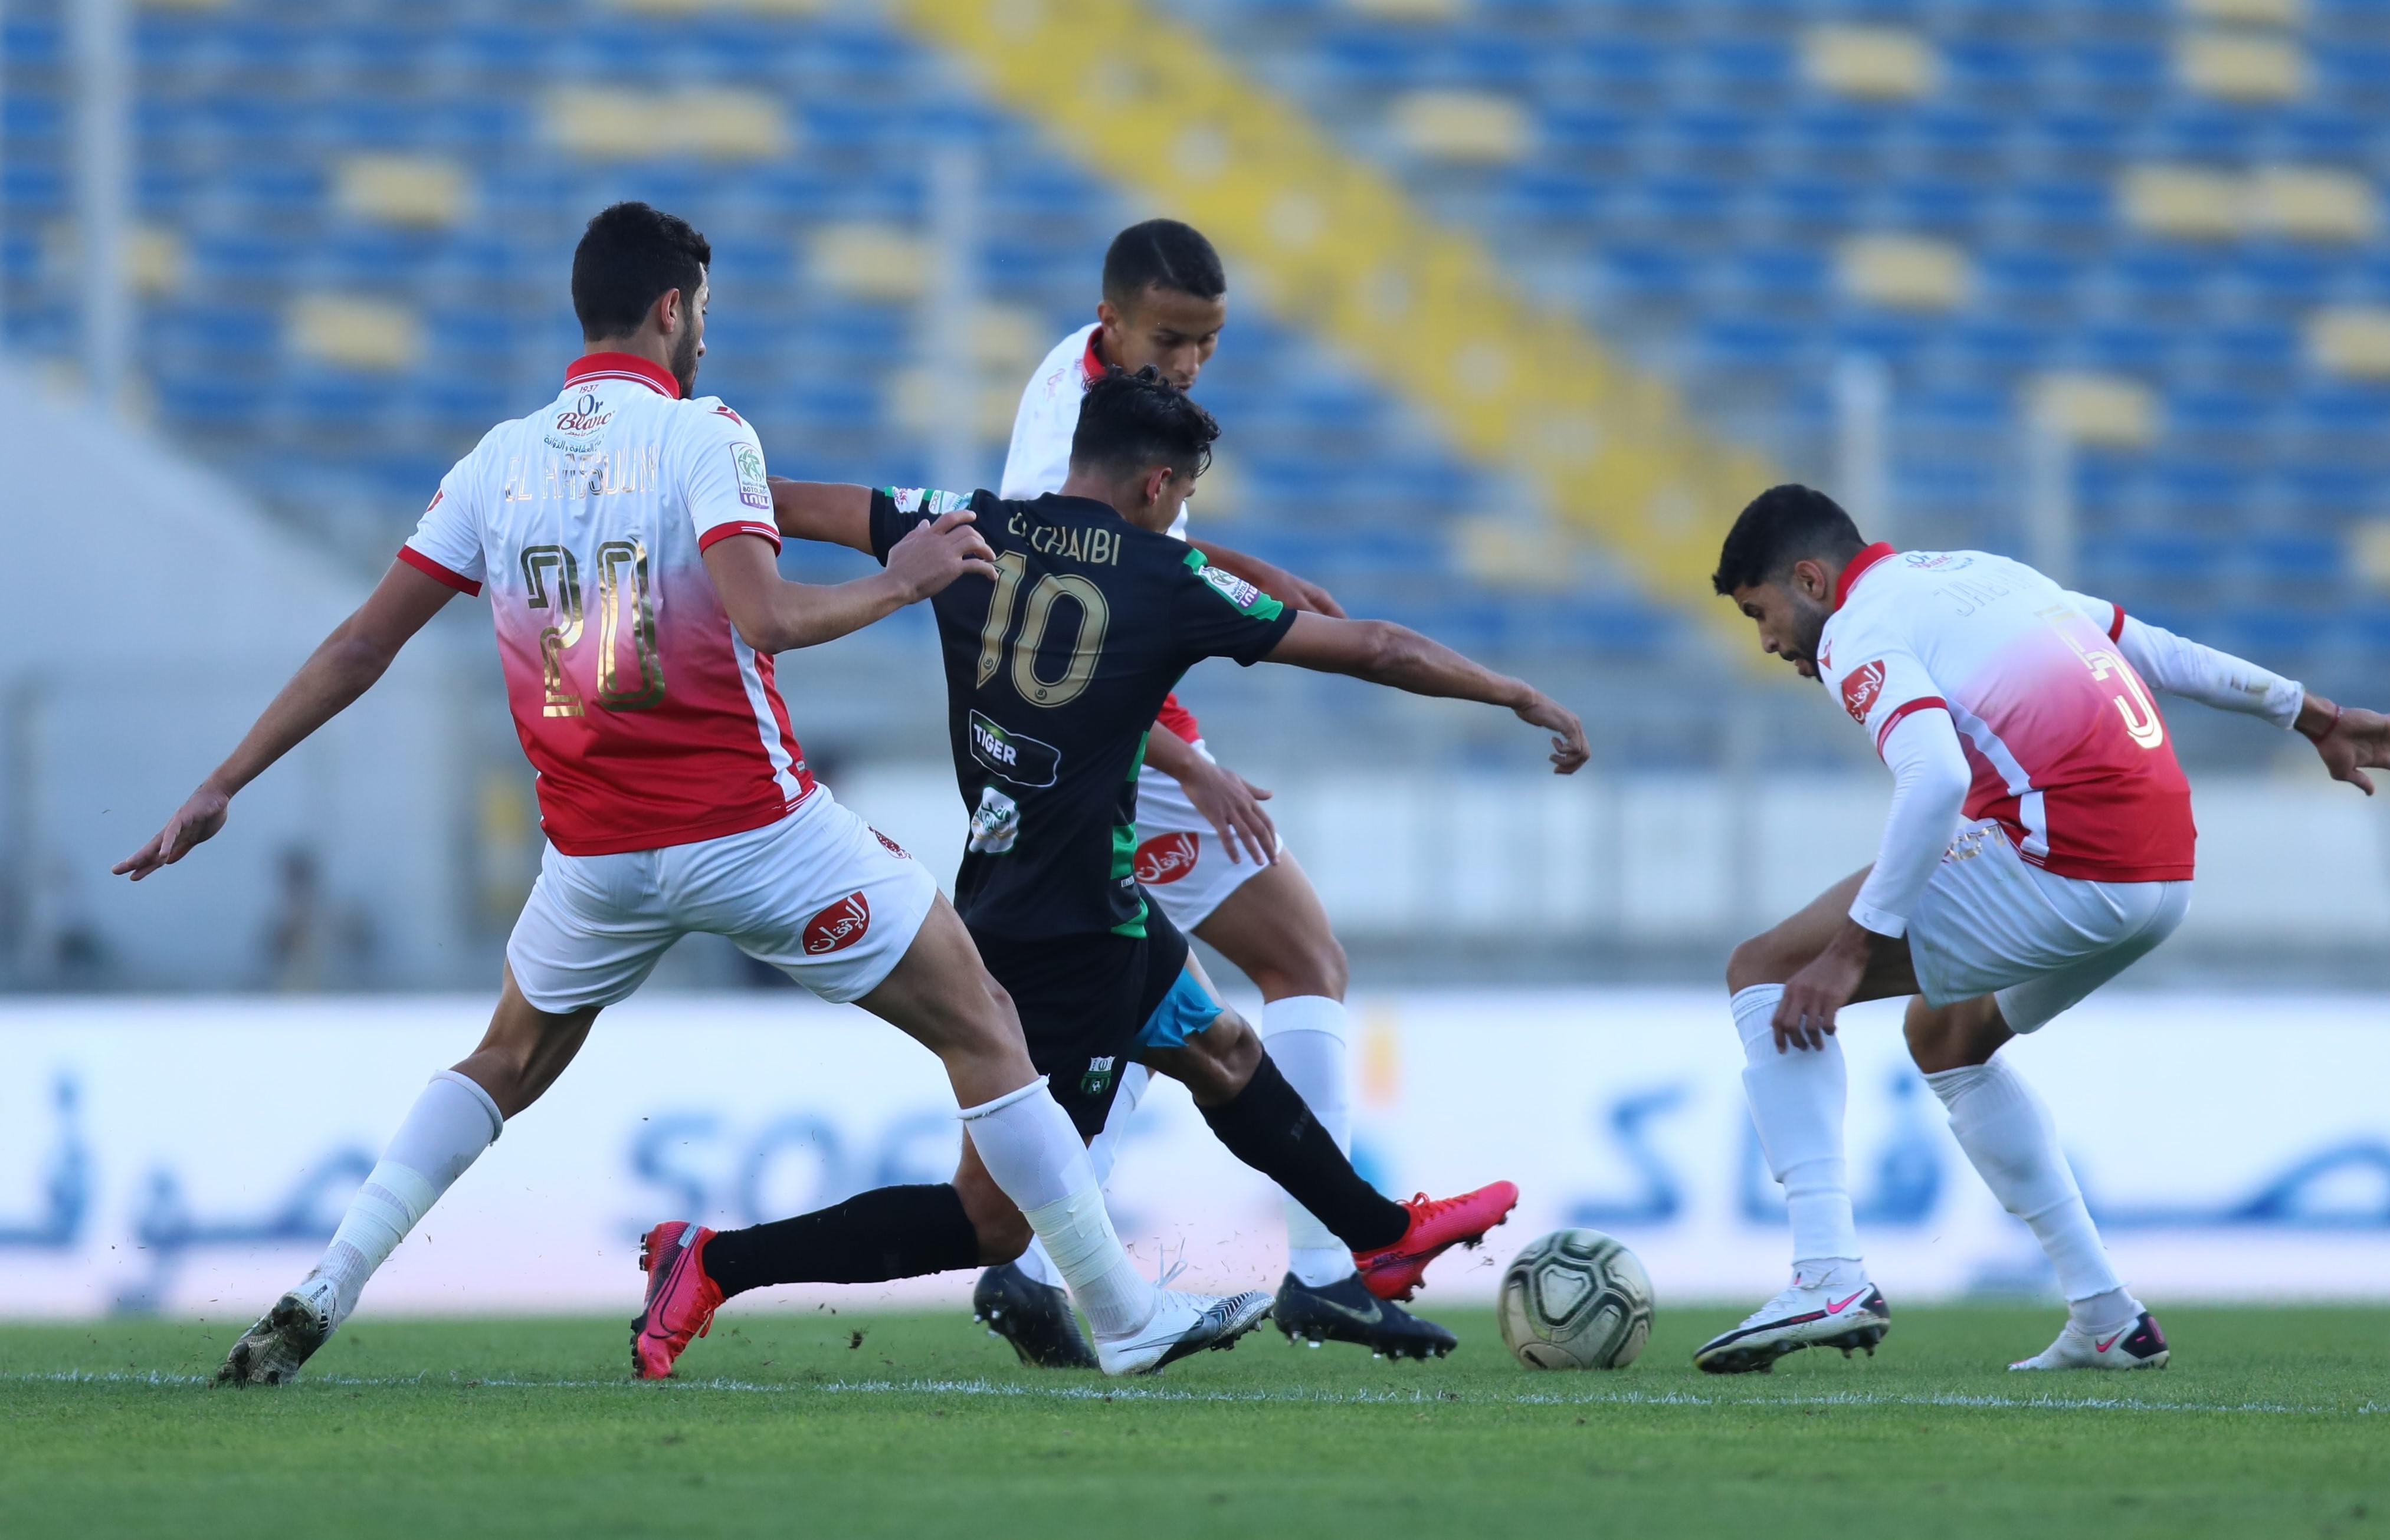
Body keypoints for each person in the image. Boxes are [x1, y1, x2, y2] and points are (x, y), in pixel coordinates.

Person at [112, 203, 1255, 1385]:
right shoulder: (705, 435)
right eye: (701, 311)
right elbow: (767, 618)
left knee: (500, 1063)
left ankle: (327, 1283)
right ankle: (1122, 1313)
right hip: (755, 832)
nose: (705, 333)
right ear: (671, 309)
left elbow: (363, 644)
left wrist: (222, 783)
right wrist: (904, 581)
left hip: (594, 857)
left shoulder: (496, 462)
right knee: (986, 1025)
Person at [627, 367, 1584, 1366]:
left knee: (1222, 1052)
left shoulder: (962, 523)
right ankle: (716, 1261)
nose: (1178, 511)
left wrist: (631, 508)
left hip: (1050, 889)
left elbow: (776, 502)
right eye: (1185, 495)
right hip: (1066, 929)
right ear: (1157, 484)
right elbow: (1375, 646)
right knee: (990, 1221)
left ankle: (1379, 1237)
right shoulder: (1166, 577)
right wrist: (1513, 693)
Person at [1695, 485, 2390, 1374]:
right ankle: (2105, 1314)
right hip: (2161, 875)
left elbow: (1934, 777)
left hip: (2067, 863)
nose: (1768, 641)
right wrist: (2312, 714)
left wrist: (1849, 951)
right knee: (1946, 1037)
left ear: (1811, 580)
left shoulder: (1858, 628)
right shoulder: (1983, 574)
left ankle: (1826, 1274)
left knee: (1766, 970)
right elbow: (2149, 648)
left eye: (1761, 613)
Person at [986, 218, 1426, 1361]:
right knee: (1301, 961)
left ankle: (1033, 1264)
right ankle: (1326, 1271)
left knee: (1148, 1010)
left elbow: (1132, 544)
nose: (1185, 365)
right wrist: (1190, 766)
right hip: (1123, 740)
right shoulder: (1065, 434)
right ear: (1114, 320)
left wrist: (1243, 564)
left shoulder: (1096, 388)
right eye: (1169, 340)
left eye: (1206, 344)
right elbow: (1058, 619)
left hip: (1118, 736)